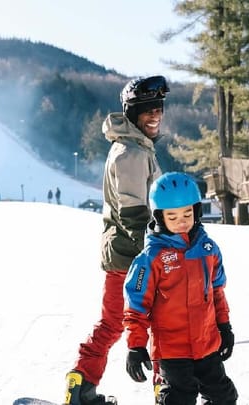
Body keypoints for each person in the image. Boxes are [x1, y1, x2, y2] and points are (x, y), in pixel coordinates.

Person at [64, 75, 169, 405]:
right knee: (161, 324)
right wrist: (156, 253)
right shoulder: (131, 154)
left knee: (112, 322)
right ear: (132, 113)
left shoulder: (136, 148)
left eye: (159, 108)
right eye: (147, 110)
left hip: (124, 253)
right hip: (133, 254)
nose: (155, 115)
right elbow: (133, 211)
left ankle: (80, 385)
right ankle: (166, 391)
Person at [123, 172, 237, 405]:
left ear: (197, 211)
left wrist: (224, 326)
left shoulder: (208, 249)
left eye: (187, 213)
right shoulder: (151, 257)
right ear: (159, 217)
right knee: (179, 398)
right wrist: (136, 345)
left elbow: (217, 292)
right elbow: (136, 305)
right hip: (172, 350)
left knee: (223, 397)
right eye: (172, 216)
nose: (182, 221)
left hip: (207, 344)